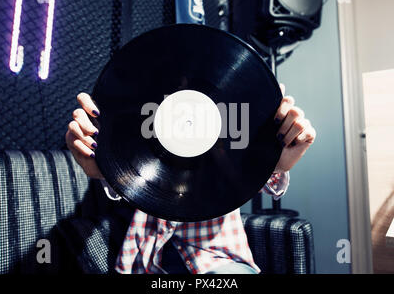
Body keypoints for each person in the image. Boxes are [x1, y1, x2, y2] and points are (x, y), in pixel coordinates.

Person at [65, 84, 316, 274]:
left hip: (221, 261)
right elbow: (129, 176)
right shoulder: (146, 134)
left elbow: (251, 175)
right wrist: (105, 165)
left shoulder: (229, 134)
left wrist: (274, 162)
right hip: (142, 262)